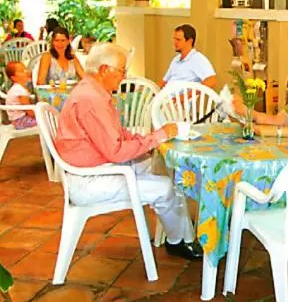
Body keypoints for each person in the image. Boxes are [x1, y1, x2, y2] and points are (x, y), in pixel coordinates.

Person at [54, 43, 202, 260]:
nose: (124, 77)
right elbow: (116, 151)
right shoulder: (91, 100)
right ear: (104, 70)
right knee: (164, 187)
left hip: (95, 166)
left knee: (158, 167)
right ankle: (178, 240)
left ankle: (181, 231)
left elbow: (115, 134)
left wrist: (146, 140)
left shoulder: (92, 90)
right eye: (121, 71)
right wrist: (158, 136)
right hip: (89, 180)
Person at [160, 24, 217, 89]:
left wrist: (189, 94)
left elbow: (212, 80)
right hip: (166, 93)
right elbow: (164, 82)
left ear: (190, 41)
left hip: (180, 95)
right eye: (174, 39)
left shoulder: (197, 59)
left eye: (178, 40)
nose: (175, 42)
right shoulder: (176, 59)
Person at [4, 61, 36, 129]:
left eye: (25, 69)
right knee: (45, 122)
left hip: (18, 120)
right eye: (22, 71)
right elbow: (28, 110)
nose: (26, 72)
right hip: (21, 121)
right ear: (14, 78)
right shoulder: (19, 90)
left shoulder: (18, 88)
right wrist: (38, 115)